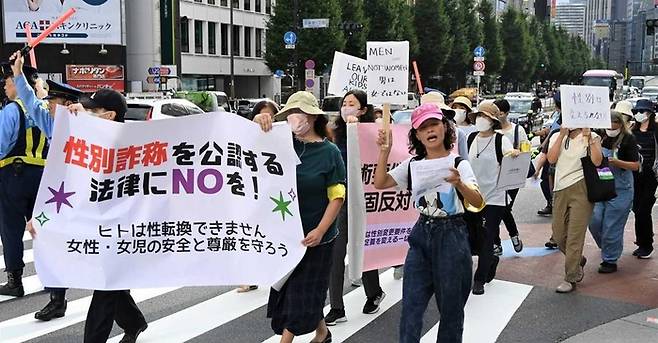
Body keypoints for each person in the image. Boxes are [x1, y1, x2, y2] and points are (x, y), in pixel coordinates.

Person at [373, 103, 484, 342]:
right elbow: (380, 183)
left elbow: (478, 202)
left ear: (444, 127)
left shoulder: (458, 164)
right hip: (421, 234)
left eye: (434, 124)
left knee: (451, 311)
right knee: (411, 308)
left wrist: (459, 184)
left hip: (452, 237)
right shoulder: (413, 164)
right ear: (417, 135)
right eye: (423, 128)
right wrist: (384, 151)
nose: (429, 130)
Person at [254, 91, 345, 343]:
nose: (295, 118)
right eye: (291, 113)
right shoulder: (280, 143)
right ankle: (323, 332)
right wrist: (260, 120)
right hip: (285, 234)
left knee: (303, 291)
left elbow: (337, 196)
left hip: (318, 238)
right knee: (297, 290)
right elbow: (245, 146)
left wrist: (320, 230)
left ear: (314, 117)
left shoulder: (330, 153)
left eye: (301, 113)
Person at [13, 60, 83, 320]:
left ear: (67, 105)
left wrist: (85, 110)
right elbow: (30, 102)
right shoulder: (52, 124)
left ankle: (126, 312)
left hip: (87, 199)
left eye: (53, 101)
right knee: (47, 239)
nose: (47, 104)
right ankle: (57, 299)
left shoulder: (84, 124)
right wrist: (18, 74)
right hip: (59, 200)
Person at [324, 90, 385, 326]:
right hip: (338, 200)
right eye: (344, 103)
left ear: (362, 109)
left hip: (364, 199)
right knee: (336, 253)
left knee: (363, 248)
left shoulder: (370, 132)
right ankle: (337, 307)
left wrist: (360, 130)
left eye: (352, 103)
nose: (347, 107)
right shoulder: (331, 132)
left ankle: (374, 293)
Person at [0, 62, 46, 299]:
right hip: (44, 176)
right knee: (43, 227)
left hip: (13, 176)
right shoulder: (44, 109)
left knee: (10, 229)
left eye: (8, 82)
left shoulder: (11, 110)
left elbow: (1, 145)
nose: (5, 87)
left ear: (19, 84)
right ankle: (53, 279)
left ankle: (14, 281)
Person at [467, 101, 517, 295]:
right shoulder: (471, 138)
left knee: (487, 236)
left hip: (494, 197)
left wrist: (514, 154)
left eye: (486, 117)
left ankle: (479, 279)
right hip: (471, 196)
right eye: (479, 115)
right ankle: (492, 259)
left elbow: (510, 155)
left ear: (493, 120)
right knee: (472, 236)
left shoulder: (500, 139)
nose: (481, 120)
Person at [547, 123, 602, 293]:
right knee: (558, 235)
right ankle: (578, 259)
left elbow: (597, 161)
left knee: (574, 237)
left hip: (582, 188)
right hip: (560, 189)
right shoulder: (557, 136)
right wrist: (562, 134)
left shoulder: (591, 136)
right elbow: (551, 159)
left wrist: (589, 138)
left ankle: (570, 277)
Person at [235, 100, 282, 294]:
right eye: (261, 115)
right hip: (252, 192)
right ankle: (249, 276)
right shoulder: (246, 135)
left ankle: (280, 272)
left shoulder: (283, 134)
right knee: (249, 232)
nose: (266, 119)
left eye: (270, 115)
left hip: (277, 194)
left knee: (276, 233)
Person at [588, 111, 639, 273]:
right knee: (594, 220)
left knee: (612, 225)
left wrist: (617, 162)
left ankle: (610, 260)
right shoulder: (600, 136)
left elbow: (636, 166)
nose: (610, 127)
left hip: (621, 188)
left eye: (613, 124)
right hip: (601, 184)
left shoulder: (628, 139)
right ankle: (608, 246)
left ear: (620, 124)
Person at [631, 99, 658, 259]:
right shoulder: (631, 132)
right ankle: (641, 242)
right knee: (636, 209)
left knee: (644, 209)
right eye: (637, 112)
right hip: (634, 174)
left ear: (650, 113)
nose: (639, 115)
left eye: (643, 111)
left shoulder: (656, 131)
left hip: (651, 176)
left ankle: (647, 244)